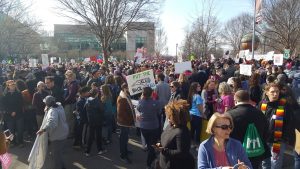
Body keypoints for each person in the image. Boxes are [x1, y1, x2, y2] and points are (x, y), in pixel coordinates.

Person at [227, 90, 271, 169]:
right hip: (256, 152)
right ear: (248, 100)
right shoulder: (259, 113)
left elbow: (225, 135)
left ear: (235, 100)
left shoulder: (230, 115)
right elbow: (267, 132)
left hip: (237, 155)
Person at [260, 83, 295, 169]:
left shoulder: (284, 105)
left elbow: (290, 123)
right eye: (272, 92)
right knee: (264, 162)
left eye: (277, 91)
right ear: (267, 92)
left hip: (278, 140)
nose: (275, 94)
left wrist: (284, 137)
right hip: (264, 139)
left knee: (275, 163)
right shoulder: (262, 104)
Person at [155, 99, 195, 169]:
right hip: (163, 163)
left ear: (175, 117)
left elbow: (181, 153)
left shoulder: (182, 132)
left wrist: (163, 150)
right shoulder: (170, 126)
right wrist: (159, 144)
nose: (167, 118)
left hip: (174, 165)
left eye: (169, 116)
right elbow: (164, 138)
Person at [36, 96, 69, 169]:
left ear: (47, 104)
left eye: (45, 103)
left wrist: (43, 129)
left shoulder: (52, 111)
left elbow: (52, 122)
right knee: (59, 154)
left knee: (56, 155)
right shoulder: (59, 106)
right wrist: (48, 109)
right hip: (63, 132)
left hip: (57, 136)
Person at [137, 87, 161, 168]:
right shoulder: (156, 102)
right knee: (152, 145)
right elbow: (159, 112)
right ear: (151, 94)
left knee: (149, 143)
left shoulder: (140, 102)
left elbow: (138, 109)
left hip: (144, 127)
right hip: (154, 127)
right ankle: (149, 162)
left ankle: (153, 157)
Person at [84, 89, 107, 156]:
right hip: (98, 121)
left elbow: (85, 108)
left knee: (91, 136)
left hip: (91, 120)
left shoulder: (88, 100)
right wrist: (102, 103)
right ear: (96, 94)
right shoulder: (97, 101)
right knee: (98, 135)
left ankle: (87, 151)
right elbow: (103, 110)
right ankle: (100, 149)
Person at [117, 83, 135, 164]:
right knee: (123, 139)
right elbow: (121, 114)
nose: (130, 89)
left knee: (125, 138)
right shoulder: (122, 98)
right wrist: (131, 120)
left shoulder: (125, 95)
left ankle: (125, 151)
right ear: (124, 88)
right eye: (128, 88)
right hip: (124, 123)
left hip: (126, 122)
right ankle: (123, 155)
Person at [3, 80, 24, 147]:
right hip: (9, 116)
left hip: (18, 114)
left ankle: (20, 142)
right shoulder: (5, 95)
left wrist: (15, 111)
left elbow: (21, 103)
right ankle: (12, 142)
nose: (13, 86)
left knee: (20, 129)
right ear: (8, 86)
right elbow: (4, 105)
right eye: (11, 85)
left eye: (14, 84)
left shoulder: (18, 93)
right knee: (11, 131)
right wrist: (10, 112)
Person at [63, 70, 79, 138]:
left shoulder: (73, 84)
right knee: (70, 118)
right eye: (67, 76)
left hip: (70, 103)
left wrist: (65, 101)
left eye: (68, 76)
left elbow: (71, 95)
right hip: (70, 102)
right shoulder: (70, 83)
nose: (67, 78)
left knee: (70, 118)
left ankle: (70, 132)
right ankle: (70, 132)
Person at [187, 82, 204, 148]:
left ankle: (191, 144)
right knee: (198, 131)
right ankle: (197, 145)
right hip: (197, 115)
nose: (200, 87)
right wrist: (203, 114)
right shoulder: (197, 96)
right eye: (198, 86)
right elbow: (199, 107)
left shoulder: (191, 95)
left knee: (192, 130)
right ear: (195, 88)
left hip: (191, 114)